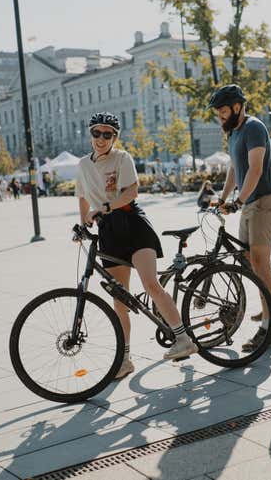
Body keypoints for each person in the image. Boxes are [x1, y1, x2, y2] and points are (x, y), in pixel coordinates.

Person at [75, 112, 197, 379]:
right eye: (97, 132)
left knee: (151, 284)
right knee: (120, 301)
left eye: (108, 134)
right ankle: (124, 359)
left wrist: (105, 206)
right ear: (90, 134)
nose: (101, 138)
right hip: (108, 231)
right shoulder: (84, 165)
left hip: (132, 223)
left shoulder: (122, 158)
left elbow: (131, 192)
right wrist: (83, 224)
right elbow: (83, 199)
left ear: (115, 137)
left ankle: (183, 338)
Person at [210, 84, 271, 352]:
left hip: (263, 201)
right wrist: (223, 198)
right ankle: (270, 304)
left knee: (259, 263)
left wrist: (238, 201)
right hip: (248, 204)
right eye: (217, 112)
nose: (220, 115)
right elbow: (235, 169)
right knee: (247, 262)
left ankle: (270, 327)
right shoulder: (232, 133)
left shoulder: (253, 127)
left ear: (238, 107)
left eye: (224, 110)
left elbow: (254, 170)